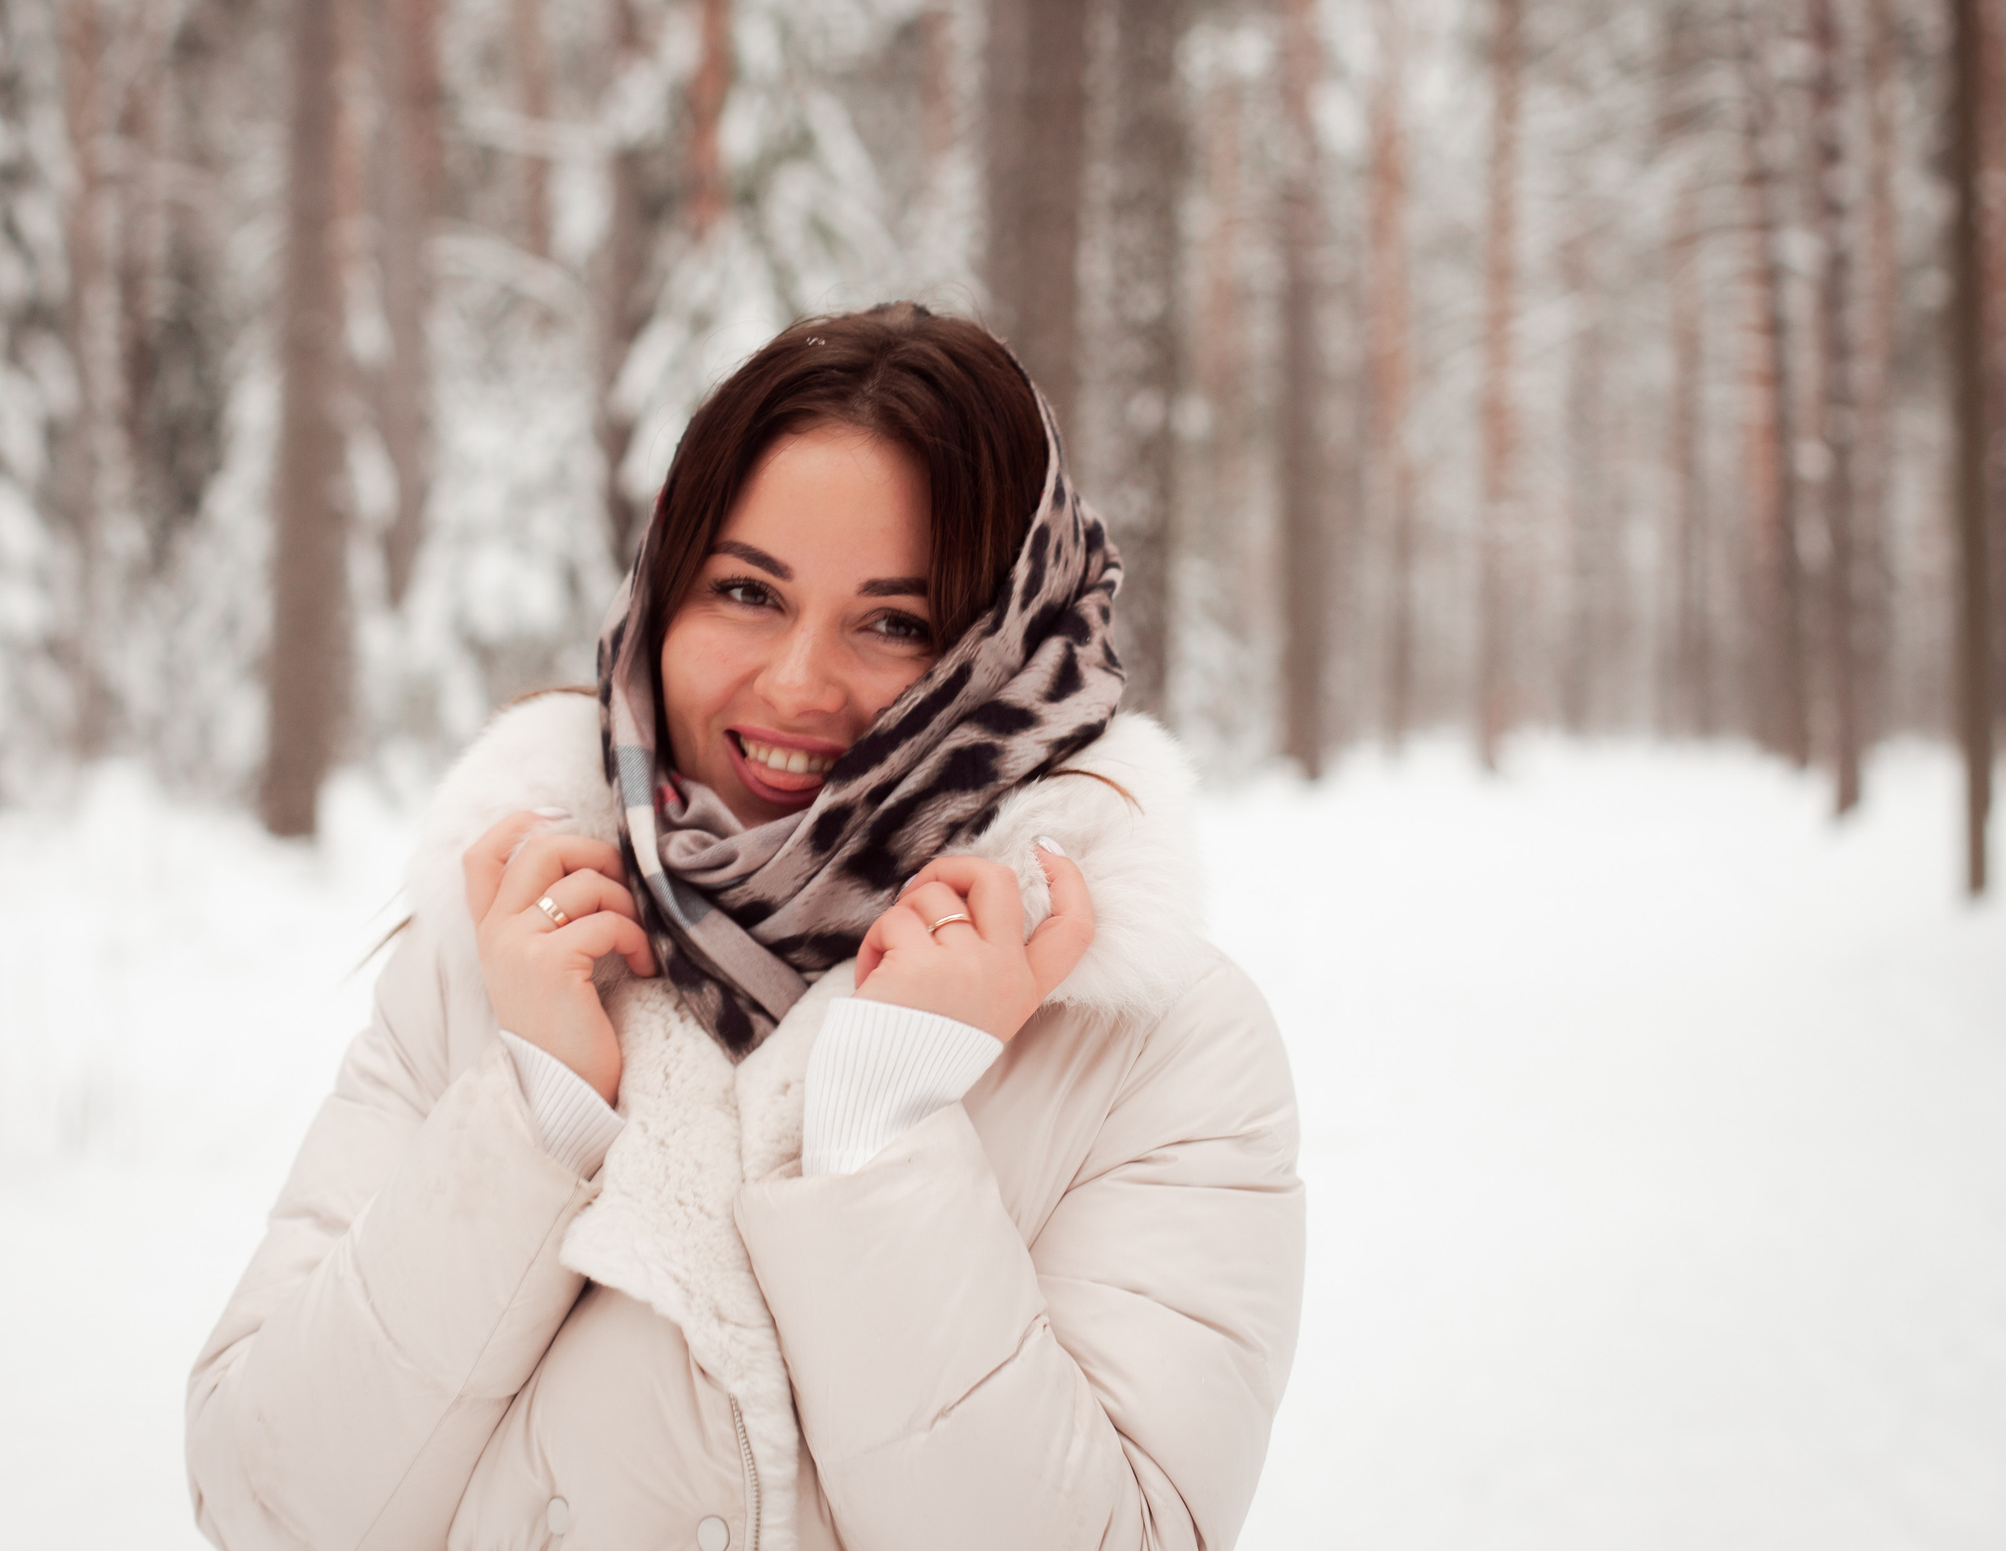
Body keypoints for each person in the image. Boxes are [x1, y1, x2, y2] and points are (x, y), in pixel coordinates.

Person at [187, 304, 1304, 1551]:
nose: (793, 687)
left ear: (1008, 649)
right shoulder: (509, 938)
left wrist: (882, 1131)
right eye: (745, 592)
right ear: (662, 588)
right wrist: (539, 1110)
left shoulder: (1151, 1034)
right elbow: (268, 1505)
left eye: (896, 622)